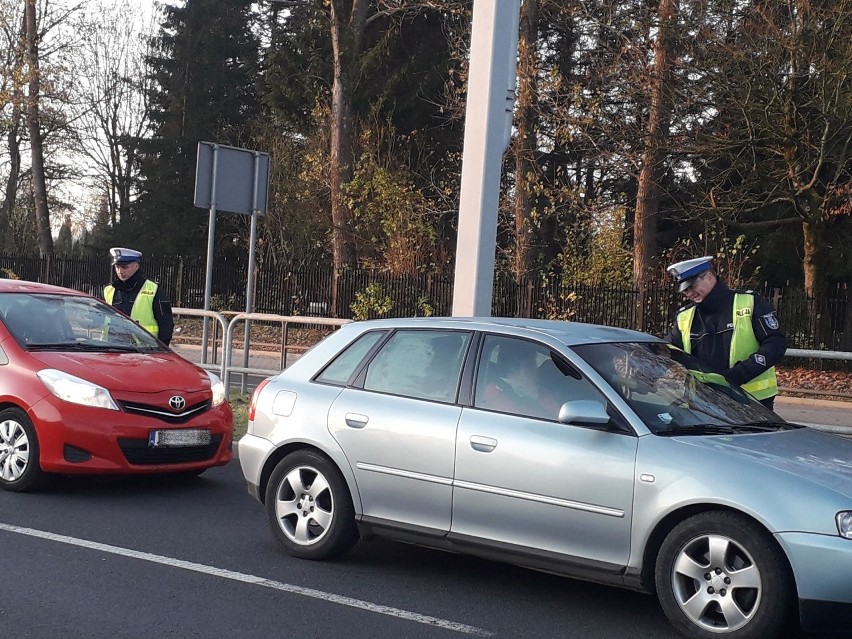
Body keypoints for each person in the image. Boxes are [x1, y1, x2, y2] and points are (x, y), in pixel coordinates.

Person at [666, 256, 786, 409]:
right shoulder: (684, 316)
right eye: (686, 290)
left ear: (709, 277)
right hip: (704, 400)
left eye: (692, 287)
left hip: (751, 402)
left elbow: (776, 344)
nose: (689, 294)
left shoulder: (749, 302)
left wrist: (740, 373)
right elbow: (669, 351)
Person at [103, 247, 174, 346]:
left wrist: (161, 349)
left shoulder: (153, 289)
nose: (120, 271)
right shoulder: (109, 290)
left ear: (136, 266)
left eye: (124, 267)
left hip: (145, 351)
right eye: (117, 267)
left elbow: (166, 324)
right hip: (112, 347)